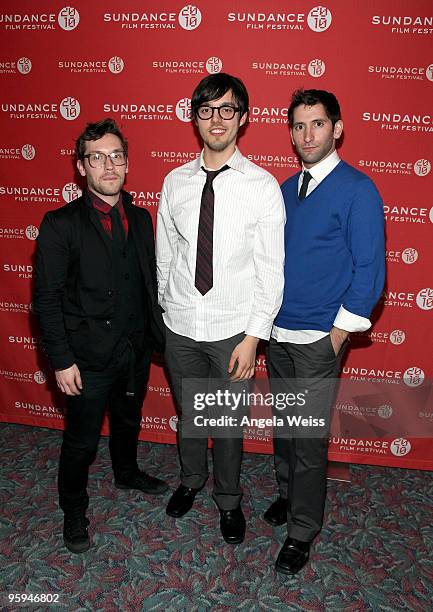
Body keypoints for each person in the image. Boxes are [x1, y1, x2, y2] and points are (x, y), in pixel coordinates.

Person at [156, 73, 285, 544]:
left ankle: (228, 500)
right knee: (191, 415)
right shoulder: (175, 182)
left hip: (234, 330)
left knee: (228, 424)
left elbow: (272, 271)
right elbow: (166, 255)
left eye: (226, 110)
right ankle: (191, 480)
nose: (216, 119)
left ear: (243, 119)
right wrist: (167, 314)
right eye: (207, 109)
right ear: (195, 118)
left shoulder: (263, 186)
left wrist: (254, 337)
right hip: (182, 326)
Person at [34, 118, 168, 554]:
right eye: (97, 157)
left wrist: (155, 339)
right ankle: (74, 510)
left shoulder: (142, 219)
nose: (108, 165)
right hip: (85, 358)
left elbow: (148, 282)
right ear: (81, 167)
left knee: (128, 421)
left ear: (126, 163)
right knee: (81, 441)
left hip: (133, 350)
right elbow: (47, 299)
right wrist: (60, 359)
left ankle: (126, 471)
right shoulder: (60, 224)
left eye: (116, 156)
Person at [265, 89, 385, 574]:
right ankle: (289, 495)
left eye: (316, 124)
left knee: (309, 439)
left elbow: (370, 271)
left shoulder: (359, 189)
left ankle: (302, 529)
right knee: (285, 428)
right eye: (298, 125)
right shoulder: (284, 189)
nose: (306, 134)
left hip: (319, 339)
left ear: (336, 128)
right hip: (277, 334)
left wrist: (337, 334)